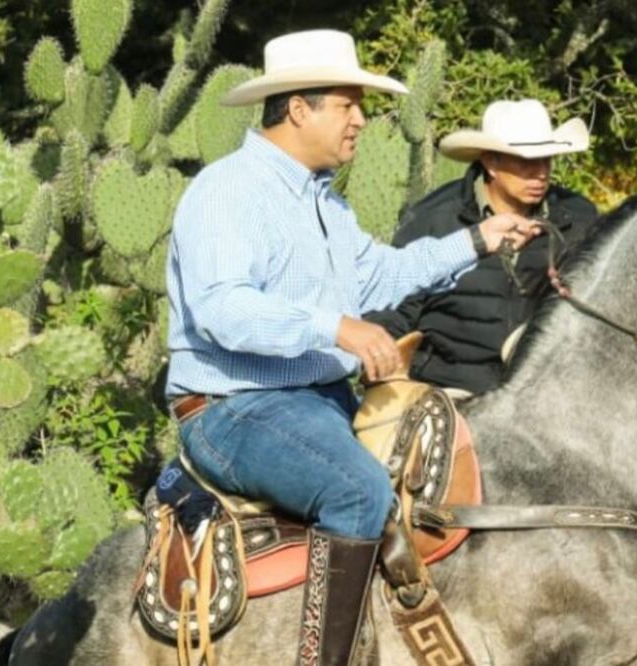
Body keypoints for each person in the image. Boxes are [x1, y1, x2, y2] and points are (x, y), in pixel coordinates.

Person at [164, 29, 539, 666]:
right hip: (235, 409)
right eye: (348, 104)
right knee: (359, 494)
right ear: (298, 109)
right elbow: (223, 311)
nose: (361, 120)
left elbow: (381, 276)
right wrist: (337, 328)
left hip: (318, 403)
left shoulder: (325, 204)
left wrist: (478, 240)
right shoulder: (226, 191)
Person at [367, 99, 600, 398]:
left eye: (547, 160)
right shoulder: (435, 219)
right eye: (527, 161)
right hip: (446, 390)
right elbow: (395, 307)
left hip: (544, 393)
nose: (541, 173)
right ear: (491, 163)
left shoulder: (577, 218)